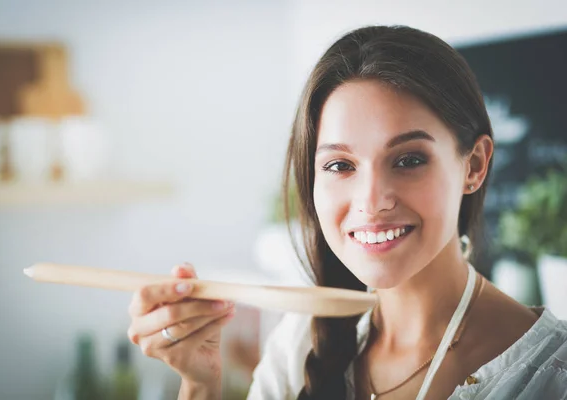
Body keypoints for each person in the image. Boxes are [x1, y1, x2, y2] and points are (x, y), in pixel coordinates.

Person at [126, 25, 567, 399]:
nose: (372, 201)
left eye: (409, 159)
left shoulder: (550, 375)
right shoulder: (299, 346)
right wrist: (200, 384)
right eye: (340, 165)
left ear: (473, 165)